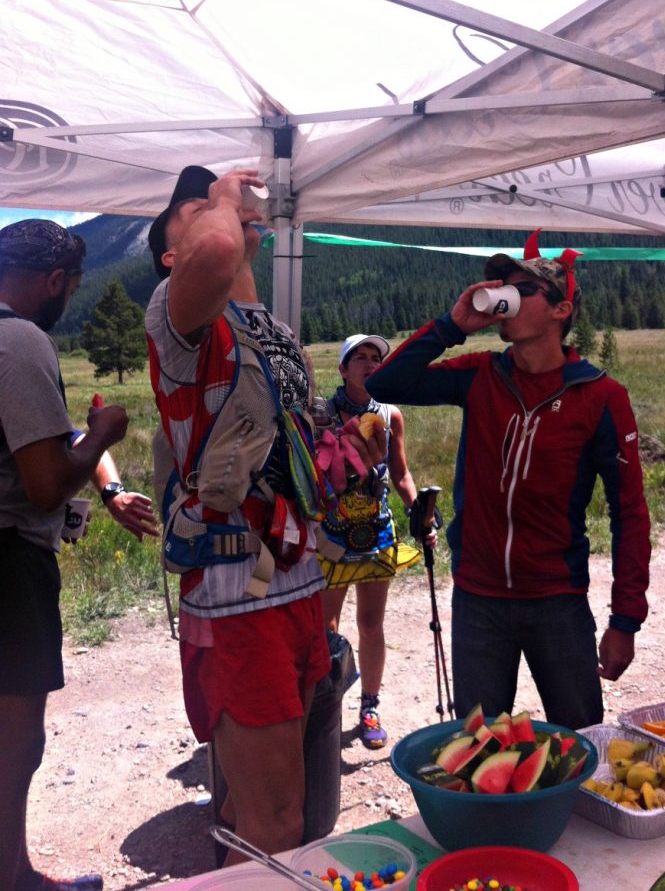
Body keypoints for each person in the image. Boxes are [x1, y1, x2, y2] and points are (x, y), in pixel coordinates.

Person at [144, 165, 385, 860]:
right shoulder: (177, 316)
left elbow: (235, 260)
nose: (220, 215)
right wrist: (220, 198)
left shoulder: (253, 322)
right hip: (237, 597)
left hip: (290, 576)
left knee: (264, 808)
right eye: (195, 211)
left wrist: (242, 219)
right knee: (277, 822)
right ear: (171, 253)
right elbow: (217, 253)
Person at [366, 231, 651, 731]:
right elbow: (384, 383)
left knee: (579, 736)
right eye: (505, 287)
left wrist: (625, 620)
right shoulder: (480, 375)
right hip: (479, 598)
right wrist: (452, 326)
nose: (507, 297)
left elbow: (629, 513)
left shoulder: (600, 396)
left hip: (557, 600)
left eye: (523, 289)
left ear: (561, 310)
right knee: (476, 746)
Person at [0, 220, 129, 891]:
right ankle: (13, 873)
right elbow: (46, 485)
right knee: (17, 735)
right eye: (73, 286)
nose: (71, 298)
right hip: (10, 564)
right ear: (54, 282)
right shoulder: (20, 338)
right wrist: (101, 434)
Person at [318, 333, 430, 750]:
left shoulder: (390, 414)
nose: (369, 363)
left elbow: (401, 474)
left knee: (370, 623)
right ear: (343, 369)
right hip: (330, 534)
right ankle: (328, 705)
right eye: (359, 358)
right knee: (327, 627)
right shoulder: (320, 415)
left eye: (375, 358)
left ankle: (369, 707)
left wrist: (420, 511)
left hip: (377, 530)